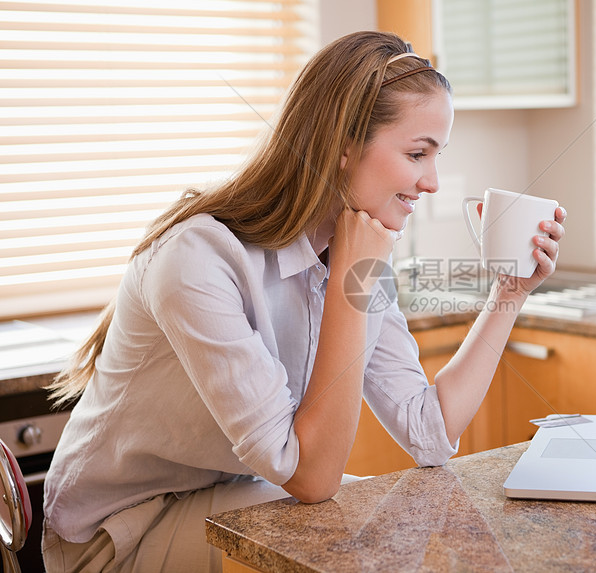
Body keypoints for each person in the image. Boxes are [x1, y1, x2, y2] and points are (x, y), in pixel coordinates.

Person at [41, 30, 567, 572]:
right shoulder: (198, 259)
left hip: (224, 495)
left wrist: (509, 293)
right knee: (365, 544)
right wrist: (350, 283)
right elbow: (313, 477)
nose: (431, 182)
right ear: (343, 146)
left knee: (405, 524)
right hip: (117, 532)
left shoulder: (351, 251)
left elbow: (429, 433)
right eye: (417, 154)